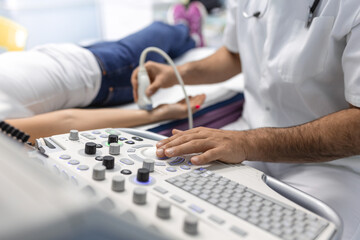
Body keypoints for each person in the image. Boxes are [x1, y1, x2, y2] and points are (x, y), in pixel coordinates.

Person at [131, 1, 360, 239]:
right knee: (169, 203)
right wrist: (178, 73)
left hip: (334, 166)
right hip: (247, 137)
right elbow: (234, 53)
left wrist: (248, 143)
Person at [1, 19, 206, 143]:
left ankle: (188, 40)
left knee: (166, 43)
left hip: (69, 52)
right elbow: (68, 121)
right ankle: (189, 31)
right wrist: (160, 113)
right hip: (105, 73)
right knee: (161, 31)